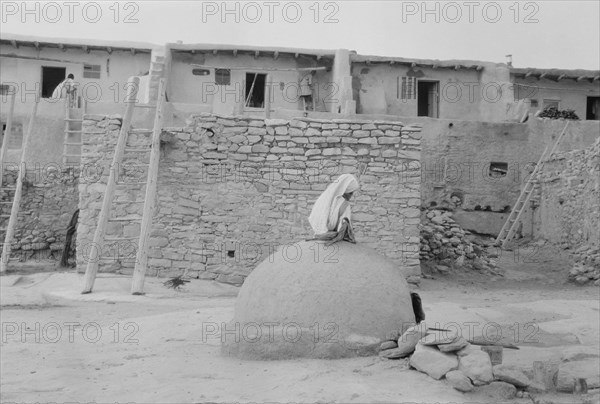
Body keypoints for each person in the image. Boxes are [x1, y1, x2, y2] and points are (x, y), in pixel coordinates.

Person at [308, 173, 359, 246]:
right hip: (331, 237)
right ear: (345, 190)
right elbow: (343, 227)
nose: (351, 196)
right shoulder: (344, 204)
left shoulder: (325, 198)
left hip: (318, 234)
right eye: (351, 193)